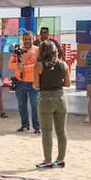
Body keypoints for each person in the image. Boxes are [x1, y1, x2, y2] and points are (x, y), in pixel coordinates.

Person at [34, 40, 71, 169]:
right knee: (61, 131)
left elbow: (36, 85)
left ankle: (48, 160)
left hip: (45, 98)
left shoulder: (39, 65)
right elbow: (68, 84)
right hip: (60, 98)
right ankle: (60, 159)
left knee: (46, 131)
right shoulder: (63, 64)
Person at [9, 32, 39, 134]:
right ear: (22, 39)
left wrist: (25, 68)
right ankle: (25, 125)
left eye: (29, 39)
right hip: (20, 82)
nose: (27, 41)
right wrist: (19, 66)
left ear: (33, 39)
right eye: (25, 39)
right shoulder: (17, 51)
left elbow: (38, 65)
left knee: (35, 105)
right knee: (22, 105)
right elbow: (10, 65)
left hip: (33, 82)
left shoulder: (37, 50)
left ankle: (37, 127)